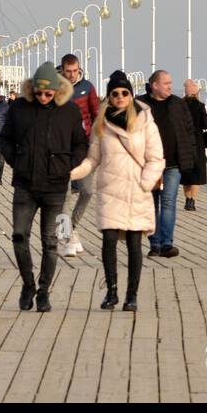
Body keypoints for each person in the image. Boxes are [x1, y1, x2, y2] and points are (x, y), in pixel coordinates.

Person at [69, 71, 163, 310]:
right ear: (109, 96)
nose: (120, 96)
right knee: (108, 241)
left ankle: (132, 295)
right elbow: (93, 160)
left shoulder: (145, 121)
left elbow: (156, 157)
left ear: (130, 95)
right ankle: (111, 291)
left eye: (124, 92)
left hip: (136, 190)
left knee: (134, 243)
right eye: (115, 93)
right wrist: (70, 173)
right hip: (110, 190)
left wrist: (145, 182)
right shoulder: (102, 124)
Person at [0, 62, 88, 312]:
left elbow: (81, 144)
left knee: (50, 241)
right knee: (19, 236)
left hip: (55, 187)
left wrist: (67, 166)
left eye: (48, 93)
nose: (43, 97)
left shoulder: (69, 111)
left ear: (56, 91)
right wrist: (15, 161)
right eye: (38, 93)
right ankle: (28, 284)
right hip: (25, 185)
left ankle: (43, 291)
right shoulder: (19, 108)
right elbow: (5, 138)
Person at [137, 70, 200, 258]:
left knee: (168, 202)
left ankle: (166, 243)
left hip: (173, 163)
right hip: (148, 163)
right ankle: (154, 243)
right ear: (155, 85)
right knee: (151, 203)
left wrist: (190, 156)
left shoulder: (178, 104)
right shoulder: (140, 104)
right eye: (166, 83)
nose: (170, 87)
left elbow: (189, 131)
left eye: (171, 83)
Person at [60, 54, 101, 257]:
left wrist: (97, 139)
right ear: (62, 70)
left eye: (75, 71)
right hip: (61, 149)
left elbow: (96, 114)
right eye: (68, 71)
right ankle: (67, 237)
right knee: (64, 196)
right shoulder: (56, 88)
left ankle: (72, 228)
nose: (72, 75)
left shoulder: (87, 87)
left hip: (83, 147)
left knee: (87, 191)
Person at [181, 79, 207, 211]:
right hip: (198, 142)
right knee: (196, 175)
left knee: (186, 174)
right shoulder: (200, 105)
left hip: (183, 142)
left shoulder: (180, 105)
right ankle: (192, 201)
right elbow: (205, 125)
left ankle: (187, 199)